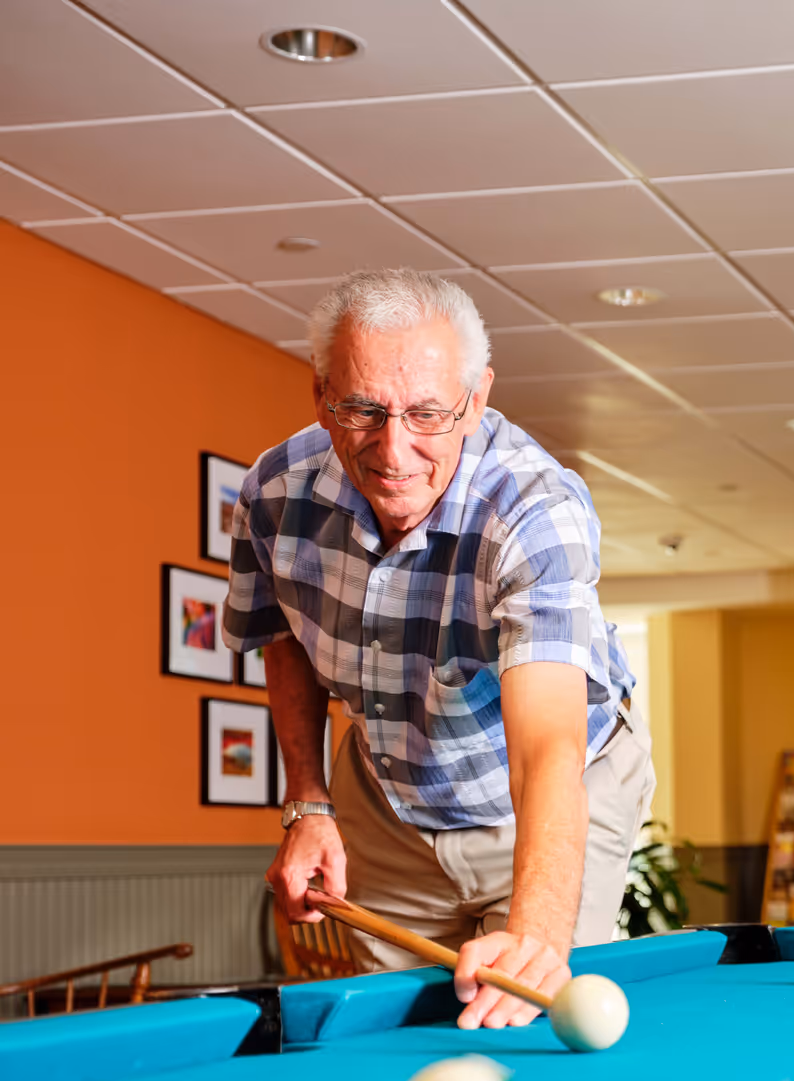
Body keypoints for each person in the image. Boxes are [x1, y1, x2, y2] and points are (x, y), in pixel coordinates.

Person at [223, 269, 653, 1029]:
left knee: (533, 1014)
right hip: (387, 803)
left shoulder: (534, 511)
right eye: (363, 410)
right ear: (321, 392)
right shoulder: (273, 494)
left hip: (546, 791)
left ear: (476, 400)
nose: (395, 450)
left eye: (428, 413)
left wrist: (539, 935)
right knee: (398, 1036)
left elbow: (547, 748)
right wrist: (307, 805)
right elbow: (281, 633)